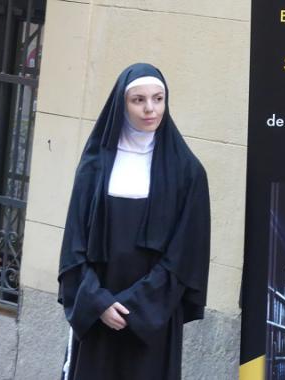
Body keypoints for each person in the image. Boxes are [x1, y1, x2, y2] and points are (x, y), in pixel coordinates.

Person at [57, 63, 210, 380]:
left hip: (152, 320)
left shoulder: (188, 173)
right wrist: (98, 303)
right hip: (98, 313)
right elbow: (74, 246)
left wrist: (134, 308)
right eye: (138, 100)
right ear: (121, 104)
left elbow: (185, 256)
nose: (150, 109)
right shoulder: (94, 167)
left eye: (158, 98)